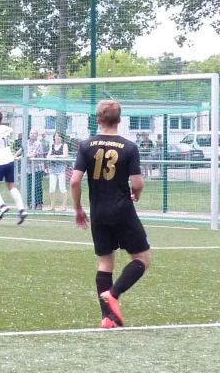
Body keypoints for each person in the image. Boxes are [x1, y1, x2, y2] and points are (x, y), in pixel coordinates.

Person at [70, 99, 150, 329]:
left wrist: (78, 209)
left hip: (98, 211)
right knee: (142, 259)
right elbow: (138, 183)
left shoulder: (86, 146)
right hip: (123, 210)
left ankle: (108, 318)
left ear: (98, 119)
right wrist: (137, 193)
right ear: (120, 120)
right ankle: (113, 294)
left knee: (105, 262)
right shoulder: (129, 147)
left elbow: (75, 181)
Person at [0, 110, 27, 224]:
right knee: (11, 186)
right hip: (10, 159)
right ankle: (22, 210)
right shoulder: (8, 129)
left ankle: (2, 206)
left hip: (0, 162)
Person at [15, 129, 45, 209]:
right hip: (28, 169)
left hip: (37, 169)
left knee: (37, 186)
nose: (32, 135)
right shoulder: (26, 143)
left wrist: (23, 157)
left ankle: (39, 204)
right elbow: (21, 150)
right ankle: (28, 204)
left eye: (34, 133)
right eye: (31, 133)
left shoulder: (39, 144)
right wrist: (15, 156)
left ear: (37, 135)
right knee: (29, 186)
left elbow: (33, 155)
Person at [47, 132, 69, 211]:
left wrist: (56, 156)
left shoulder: (64, 146)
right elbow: (48, 156)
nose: (57, 137)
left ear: (61, 138)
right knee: (51, 188)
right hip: (53, 169)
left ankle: (63, 206)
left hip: (61, 169)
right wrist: (51, 156)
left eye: (59, 136)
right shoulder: (52, 146)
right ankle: (52, 206)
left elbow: (65, 156)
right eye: (55, 136)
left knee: (62, 188)